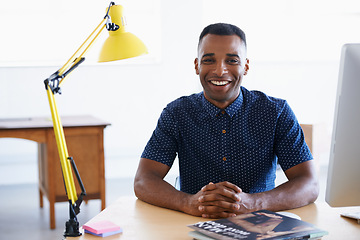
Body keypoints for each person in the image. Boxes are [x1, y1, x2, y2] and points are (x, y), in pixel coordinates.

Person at [134, 23, 319, 219]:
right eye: (209, 60)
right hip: (193, 224)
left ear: (245, 66)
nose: (220, 70)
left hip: (260, 226)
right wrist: (187, 203)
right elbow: (144, 180)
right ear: (197, 66)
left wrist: (253, 203)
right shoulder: (176, 114)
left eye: (231, 60)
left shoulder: (276, 112)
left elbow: (309, 183)